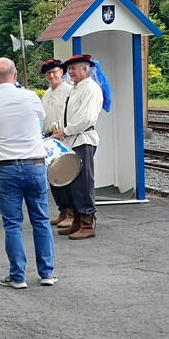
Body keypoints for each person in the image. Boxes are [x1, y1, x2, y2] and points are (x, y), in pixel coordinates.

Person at [0, 58, 55, 290]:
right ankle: (47, 273)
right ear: (14, 76)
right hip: (35, 164)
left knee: (13, 223)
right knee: (41, 219)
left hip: (6, 167)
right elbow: (41, 118)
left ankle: (18, 275)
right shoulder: (30, 96)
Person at [52, 55, 103, 240]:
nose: (70, 72)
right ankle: (77, 221)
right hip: (72, 141)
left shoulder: (90, 88)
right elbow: (67, 114)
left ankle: (88, 224)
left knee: (83, 183)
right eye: (70, 69)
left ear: (85, 69)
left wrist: (64, 131)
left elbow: (86, 117)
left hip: (83, 140)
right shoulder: (75, 89)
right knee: (72, 183)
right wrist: (59, 129)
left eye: (74, 68)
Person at [39, 58, 75, 227]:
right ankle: (62, 210)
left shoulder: (69, 91)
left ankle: (71, 212)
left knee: (66, 177)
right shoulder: (47, 93)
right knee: (54, 177)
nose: (52, 75)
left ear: (62, 72)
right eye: (49, 73)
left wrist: (63, 130)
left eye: (55, 72)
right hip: (49, 137)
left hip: (63, 137)